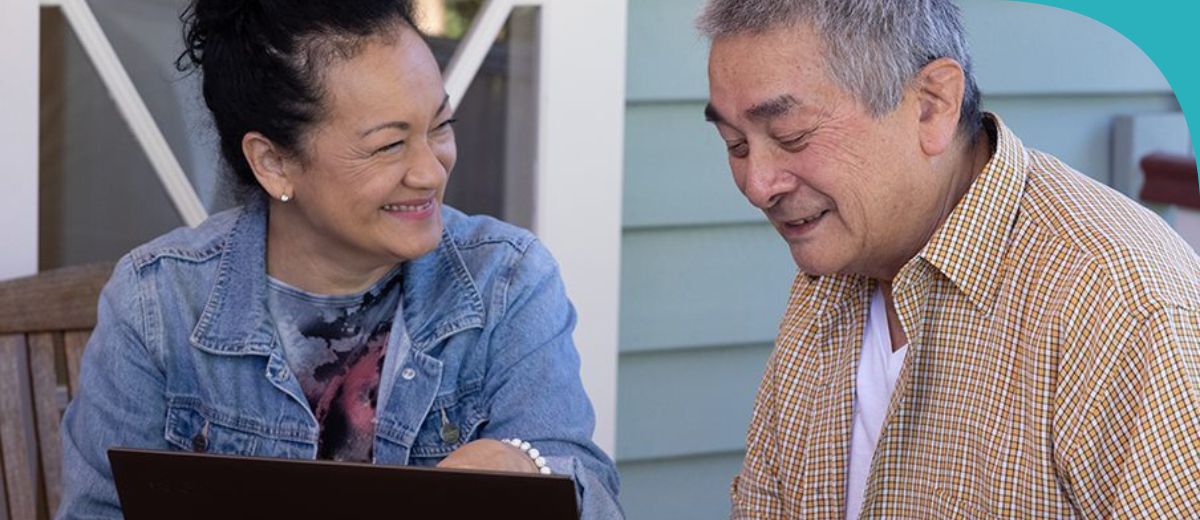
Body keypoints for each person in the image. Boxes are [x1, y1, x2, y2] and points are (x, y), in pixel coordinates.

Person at [57, 1, 622, 518]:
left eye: (440, 125)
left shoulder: (508, 281)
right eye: (387, 145)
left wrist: (526, 466)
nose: (430, 171)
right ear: (274, 162)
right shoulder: (156, 302)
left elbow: (592, 493)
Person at [697, 0, 1200, 518]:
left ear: (932, 104)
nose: (757, 186)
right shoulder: (832, 272)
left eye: (791, 136)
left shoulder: (1119, 299)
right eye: (735, 144)